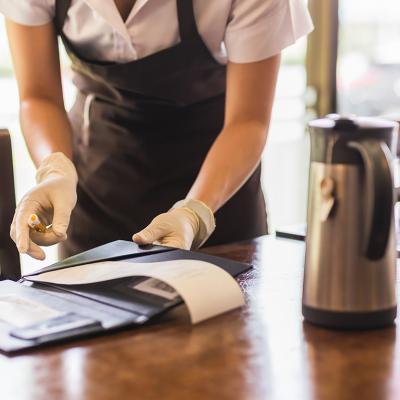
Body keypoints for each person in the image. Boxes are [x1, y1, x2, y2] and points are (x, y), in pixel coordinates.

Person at [1, 0, 313, 260]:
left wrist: (194, 213)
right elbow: (38, 96)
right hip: (94, 194)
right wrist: (55, 170)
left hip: (217, 197)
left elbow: (249, 120)